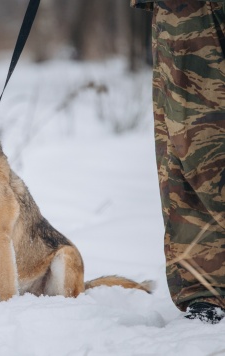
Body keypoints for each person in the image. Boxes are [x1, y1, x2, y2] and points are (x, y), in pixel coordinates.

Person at [131, 0, 225, 323]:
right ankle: (206, 289)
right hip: (180, 14)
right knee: (182, 157)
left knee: (204, 154)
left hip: (197, 13)